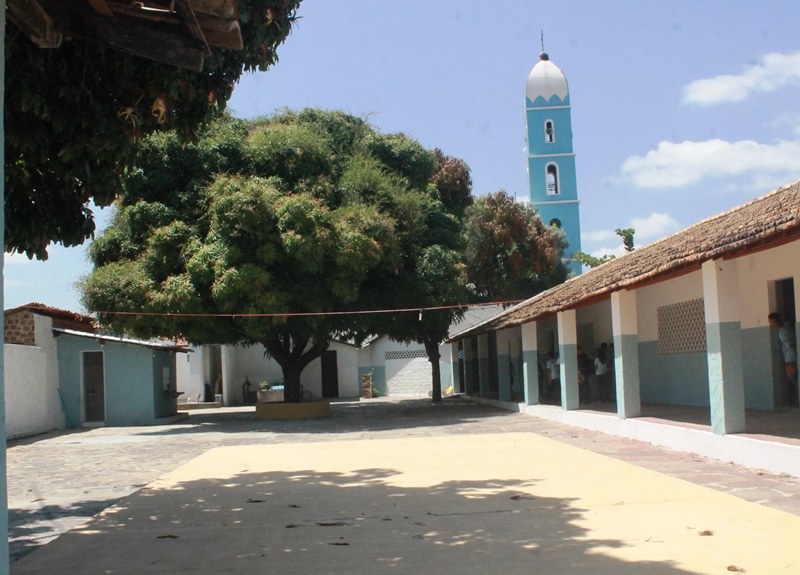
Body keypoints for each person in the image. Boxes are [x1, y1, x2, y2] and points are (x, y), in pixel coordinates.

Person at [769, 313, 798, 406]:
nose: (770, 324)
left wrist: (797, 352)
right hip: (792, 357)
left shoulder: (782, 333)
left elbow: (791, 345)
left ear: (774, 321)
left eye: (770, 322)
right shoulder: (786, 326)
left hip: (790, 358)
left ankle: (797, 400)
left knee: (793, 379)